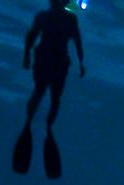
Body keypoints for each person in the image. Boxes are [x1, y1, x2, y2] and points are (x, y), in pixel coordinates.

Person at [22, 1, 86, 135]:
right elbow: (77, 41)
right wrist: (81, 63)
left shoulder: (44, 16)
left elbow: (31, 36)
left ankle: (30, 122)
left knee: (41, 92)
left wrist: (27, 56)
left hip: (46, 58)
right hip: (58, 61)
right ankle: (46, 126)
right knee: (54, 96)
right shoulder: (70, 19)